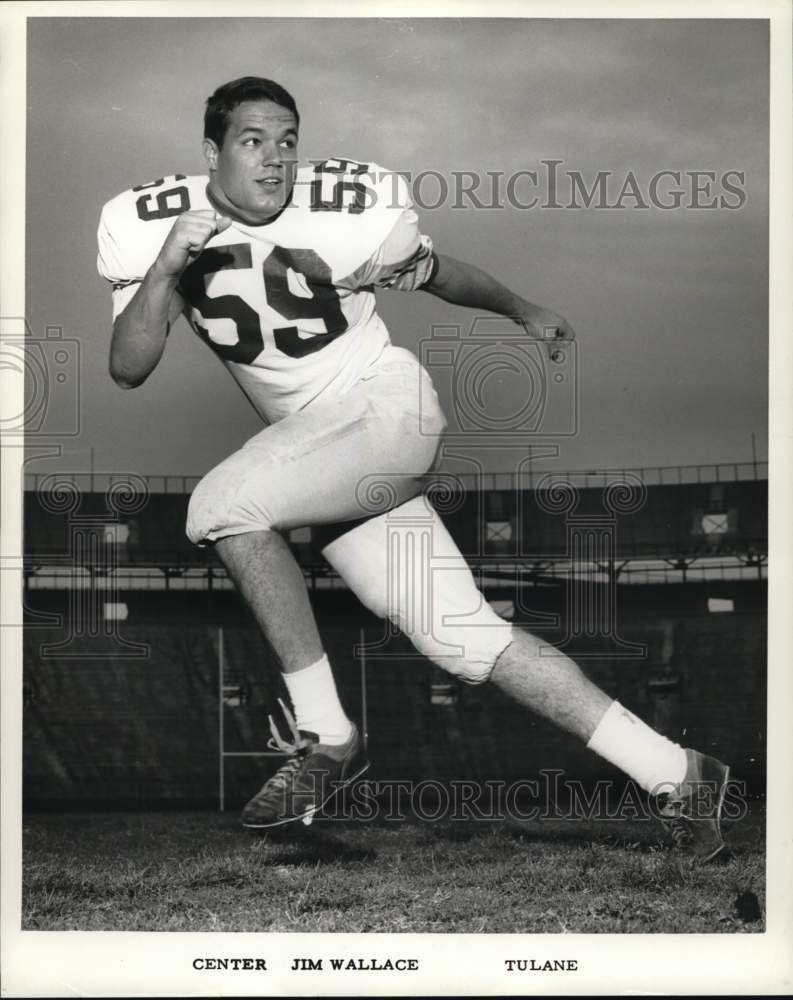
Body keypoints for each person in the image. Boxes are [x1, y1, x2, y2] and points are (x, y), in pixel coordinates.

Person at [98, 76, 730, 860]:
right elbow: (128, 367)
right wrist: (164, 270)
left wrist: (521, 308)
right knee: (467, 640)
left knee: (222, 505)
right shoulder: (150, 223)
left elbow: (437, 273)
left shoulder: (343, 211)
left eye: (287, 140)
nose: (274, 160)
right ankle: (680, 772)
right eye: (252, 141)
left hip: (382, 411)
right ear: (211, 151)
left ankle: (327, 736)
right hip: (322, 455)